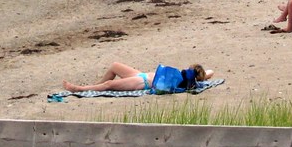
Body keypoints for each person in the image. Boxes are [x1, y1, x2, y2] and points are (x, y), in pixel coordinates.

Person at [63, 62, 211, 93]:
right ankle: (94, 86)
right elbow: (210, 72)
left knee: (109, 84)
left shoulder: (186, 82)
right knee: (114, 66)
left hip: (143, 82)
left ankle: (80, 89)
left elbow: (208, 73)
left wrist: (200, 78)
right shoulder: (183, 75)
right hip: (142, 74)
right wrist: (204, 76)